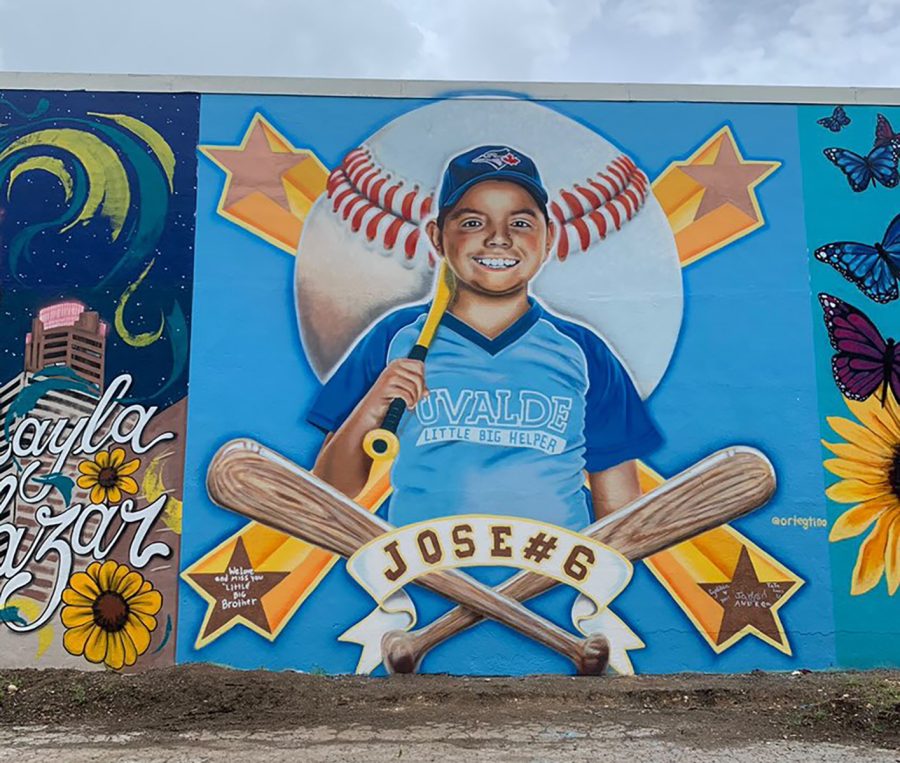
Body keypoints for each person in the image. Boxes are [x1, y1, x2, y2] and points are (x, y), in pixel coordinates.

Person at [309, 145, 662, 532]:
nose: (498, 238)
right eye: (473, 223)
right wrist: (373, 404)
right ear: (438, 237)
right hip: (423, 579)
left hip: (553, 582)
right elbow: (330, 490)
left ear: (549, 240)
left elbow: (619, 512)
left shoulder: (583, 350)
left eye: (521, 224)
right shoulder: (397, 338)